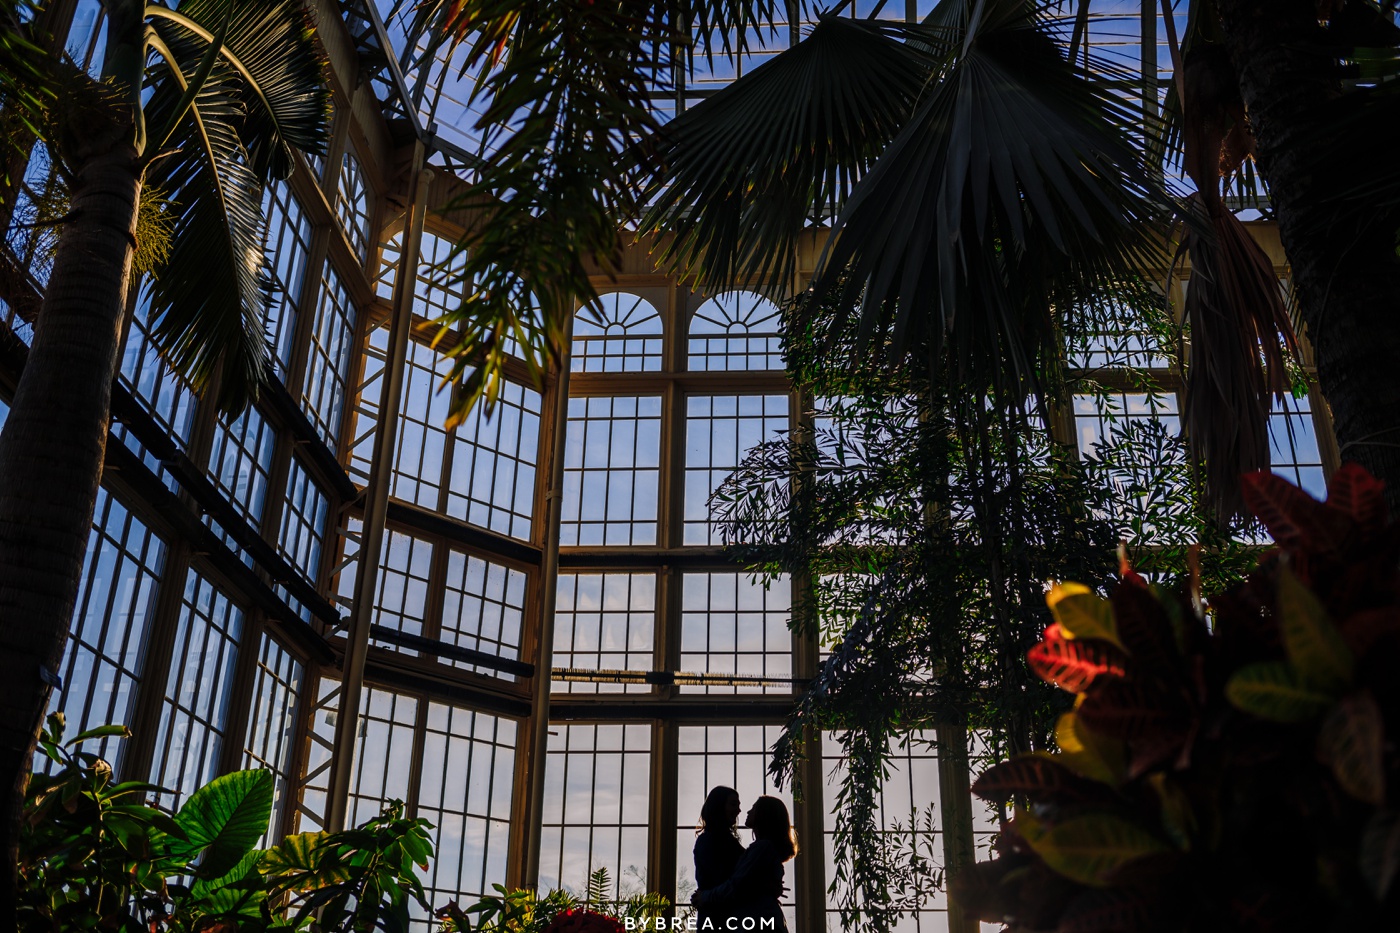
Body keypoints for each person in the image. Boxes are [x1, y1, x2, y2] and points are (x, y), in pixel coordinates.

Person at [693, 796, 796, 933]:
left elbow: (737, 884)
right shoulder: (762, 849)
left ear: (763, 814)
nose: (746, 812)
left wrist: (704, 897)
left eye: (753, 808)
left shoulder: (762, 848)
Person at [693, 786, 745, 930]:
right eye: (733, 804)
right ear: (719, 806)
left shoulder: (714, 840)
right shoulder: (713, 841)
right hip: (719, 918)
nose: (739, 810)